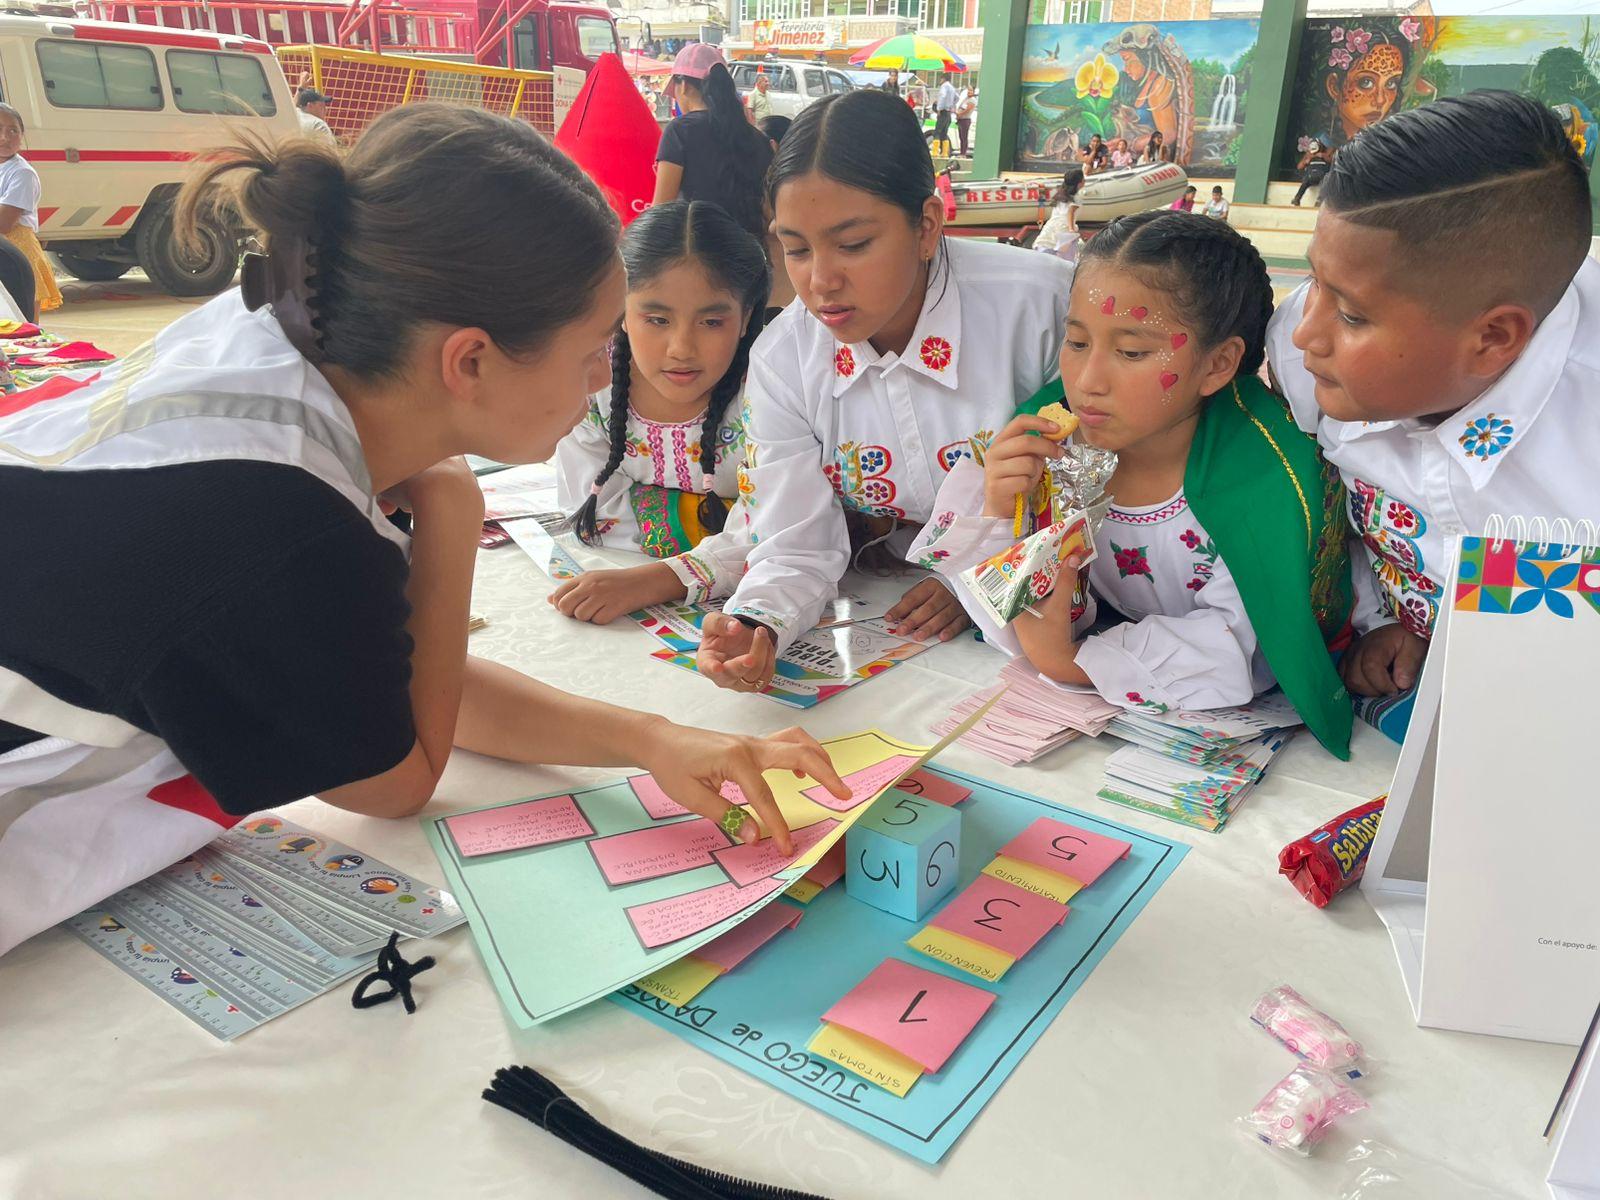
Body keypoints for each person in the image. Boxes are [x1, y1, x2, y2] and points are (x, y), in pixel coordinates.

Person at [0, 104, 846, 959]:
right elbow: (393, 779)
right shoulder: (278, 518)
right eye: (595, 347)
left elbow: (370, 678)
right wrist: (451, 508)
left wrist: (651, 738)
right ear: (470, 361)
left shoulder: (273, 334)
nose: (605, 377)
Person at [910, 210, 1354, 755]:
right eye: (1077, 342)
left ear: (1218, 365)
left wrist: (1070, 662)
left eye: (1132, 352)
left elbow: (1246, 646)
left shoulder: (1264, 479)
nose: (1087, 381)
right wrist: (1002, 512)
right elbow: (1023, 613)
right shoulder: (1051, 445)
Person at [690, 89, 1074, 693]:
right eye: (795, 249)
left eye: (853, 245)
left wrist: (972, 578)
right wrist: (758, 623)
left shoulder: (1044, 309)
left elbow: (1102, 484)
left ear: (927, 226)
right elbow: (792, 539)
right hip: (893, 610)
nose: (821, 281)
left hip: (1054, 619)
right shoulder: (785, 358)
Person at [1266, 90, 1600, 742]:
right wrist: (1387, 618)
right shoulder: (1308, 354)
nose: (1306, 333)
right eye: (1314, 284)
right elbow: (1328, 508)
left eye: (1351, 314)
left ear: (1493, 338)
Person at [552, 200, 767, 620]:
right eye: (657, 319)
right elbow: (591, 514)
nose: (681, 348)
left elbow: (777, 528)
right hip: (616, 579)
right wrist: (723, 529)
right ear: (620, 311)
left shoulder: (769, 389)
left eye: (711, 322)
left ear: (745, 318)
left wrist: (661, 577)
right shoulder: (592, 381)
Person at [653, 43, 774, 245]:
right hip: (752, 254)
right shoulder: (758, 138)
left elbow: (660, 213)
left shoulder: (680, 131)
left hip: (701, 253)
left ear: (684, 85)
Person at [0, 105, 58, 316]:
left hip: (15, 254)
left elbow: (4, 223)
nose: (5, 137)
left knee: (22, 324)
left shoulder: (22, 173)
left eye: (13, 130)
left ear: (22, 135)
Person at [1033, 167, 1083, 262]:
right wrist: (1071, 229)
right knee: (1064, 259)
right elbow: (1070, 212)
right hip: (1063, 228)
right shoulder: (1077, 198)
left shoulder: (1060, 195)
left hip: (1051, 226)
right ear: (1079, 183)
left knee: (1045, 252)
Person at [1292, 139, 1332, 207]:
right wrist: (1306, 161)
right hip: (1310, 176)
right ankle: (1297, 198)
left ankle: (1319, 200)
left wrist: (1324, 156)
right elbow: (1299, 167)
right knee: (1305, 183)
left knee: (1325, 182)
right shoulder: (1308, 155)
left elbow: (1333, 162)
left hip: (1322, 176)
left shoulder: (1326, 154)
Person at [933, 74, 958, 148]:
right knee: (944, 133)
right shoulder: (952, 87)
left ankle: (935, 151)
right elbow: (957, 98)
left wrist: (939, 108)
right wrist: (951, 105)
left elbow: (943, 96)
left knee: (937, 132)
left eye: (941, 79)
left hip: (943, 111)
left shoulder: (944, 86)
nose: (940, 81)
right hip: (948, 112)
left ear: (943, 79)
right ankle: (944, 152)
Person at [955, 83, 976, 159]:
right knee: (961, 137)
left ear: (973, 91)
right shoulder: (966, 98)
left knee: (964, 137)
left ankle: (963, 153)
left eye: (971, 90)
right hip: (960, 119)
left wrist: (960, 113)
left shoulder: (972, 100)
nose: (969, 92)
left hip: (965, 120)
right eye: (968, 90)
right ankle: (961, 152)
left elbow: (968, 109)